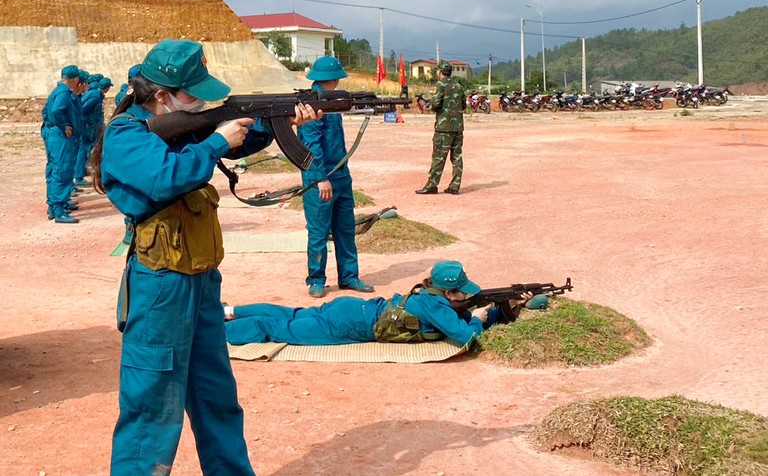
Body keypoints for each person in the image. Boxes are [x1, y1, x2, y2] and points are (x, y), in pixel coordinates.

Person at [90, 39, 322, 475]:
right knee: (152, 407)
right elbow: (164, 178)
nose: (200, 99)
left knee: (216, 398)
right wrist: (215, 142)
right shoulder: (126, 134)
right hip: (161, 286)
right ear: (162, 95)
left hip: (201, 281)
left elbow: (236, 142)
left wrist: (277, 121)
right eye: (191, 91)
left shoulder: (186, 125)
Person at [224, 260, 510, 347]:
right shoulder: (434, 307)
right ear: (448, 294)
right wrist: (479, 319)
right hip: (351, 323)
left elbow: (459, 316)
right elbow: (467, 337)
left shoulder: (430, 298)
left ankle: (228, 311)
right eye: (462, 293)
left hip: (354, 310)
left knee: (293, 314)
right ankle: (213, 332)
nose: (467, 297)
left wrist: (507, 308)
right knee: (279, 329)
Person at [298, 55, 373, 298]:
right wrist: (321, 178)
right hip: (320, 178)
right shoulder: (311, 104)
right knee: (319, 233)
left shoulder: (331, 100)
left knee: (345, 230)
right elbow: (311, 145)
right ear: (333, 78)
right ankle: (316, 279)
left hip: (341, 175)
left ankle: (349, 276)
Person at [416, 60, 466, 195]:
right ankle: (455, 186)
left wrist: (426, 106)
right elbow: (464, 105)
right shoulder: (459, 86)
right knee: (457, 158)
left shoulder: (441, 85)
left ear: (440, 72)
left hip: (444, 128)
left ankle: (432, 185)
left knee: (438, 157)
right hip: (458, 128)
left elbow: (435, 104)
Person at [41, 64, 81, 223]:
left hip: (53, 134)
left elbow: (45, 111)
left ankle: (53, 206)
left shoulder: (56, 91)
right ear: (75, 79)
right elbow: (56, 110)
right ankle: (59, 210)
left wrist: (49, 127)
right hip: (60, 137)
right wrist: (63, 126)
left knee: (54, 169)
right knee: (62, 169)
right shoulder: (64, 93)